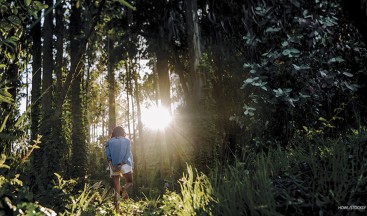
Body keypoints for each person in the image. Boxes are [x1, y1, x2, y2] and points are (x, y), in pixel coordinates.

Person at [105, 126, 133, 213]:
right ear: (122, 132)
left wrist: (112, 165)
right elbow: (128, 153)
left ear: (114, 133)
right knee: (130, 182)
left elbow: (108, 156)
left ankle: (117, 210)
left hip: (113, 166)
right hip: (125, 165)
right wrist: (122, 163)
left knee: (116, 190)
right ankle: (124, 189)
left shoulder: (109, 142)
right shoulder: (127, 141)